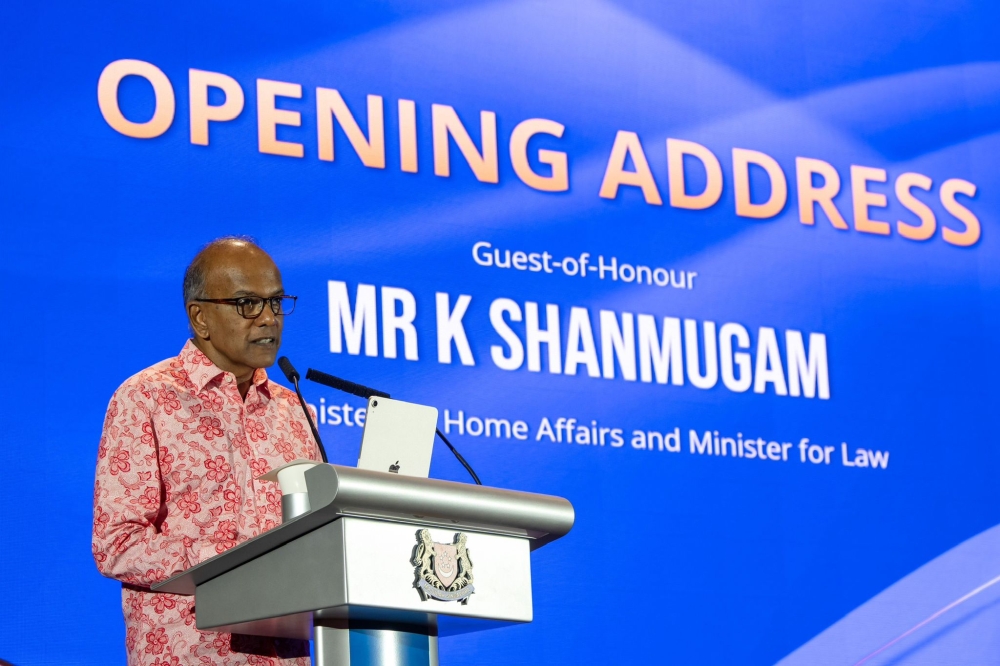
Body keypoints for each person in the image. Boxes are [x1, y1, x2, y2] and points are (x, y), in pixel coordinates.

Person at [92, 237, 320, 665]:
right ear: (200, 317)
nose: (268, 319)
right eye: (248, 304)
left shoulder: (296, 411)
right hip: (191, 653)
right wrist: (229, 563)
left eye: (276, 302)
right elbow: (117, 544)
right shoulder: (146, 398)